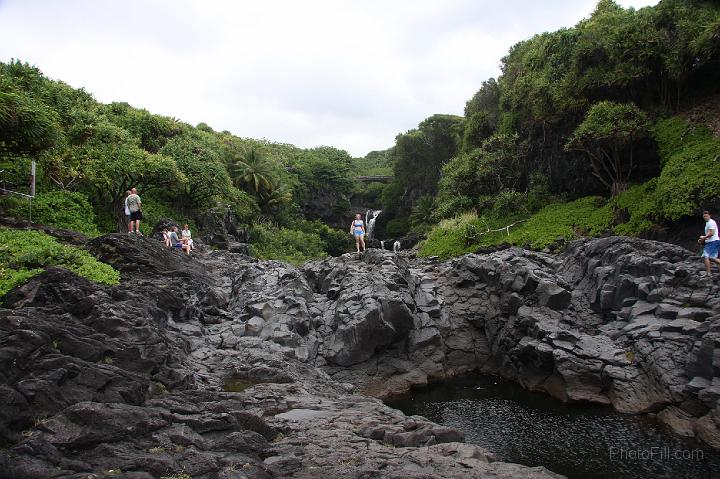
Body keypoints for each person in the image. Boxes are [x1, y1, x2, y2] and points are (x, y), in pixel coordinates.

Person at [699, 210, 720, 275]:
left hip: (713, 242)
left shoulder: (710, 222)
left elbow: (712, 233)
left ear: (709, 216)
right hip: (714, 241)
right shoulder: (708, 222)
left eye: (706, 216)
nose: (705, 217)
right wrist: (703, 239)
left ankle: (708, 273)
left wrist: (703, 238)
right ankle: (708, 273)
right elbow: (709, 234)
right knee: (712, 258)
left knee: (705, 256)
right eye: (704, 216)